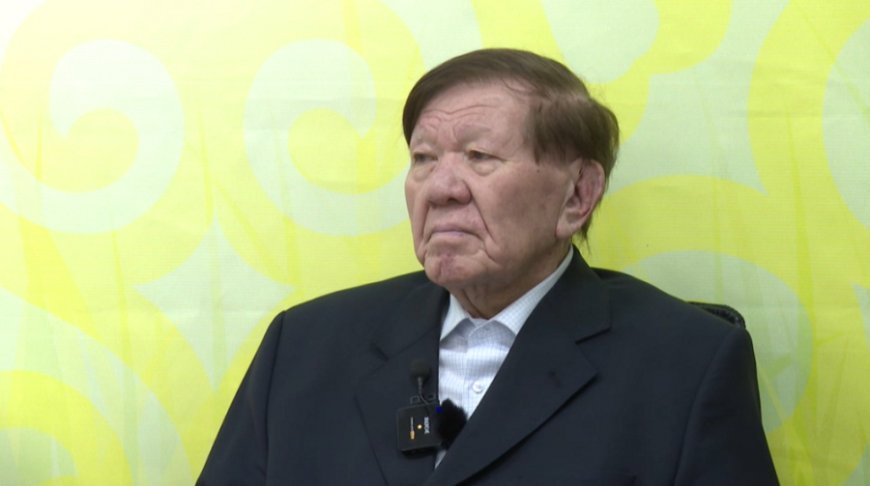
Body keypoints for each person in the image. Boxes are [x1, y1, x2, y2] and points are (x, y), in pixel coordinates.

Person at [198, 48, 778, 485]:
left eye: (479, 156)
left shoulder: (686, 364)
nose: (441, 188)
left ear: (578, 194)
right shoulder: (303, 347)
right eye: (423, 158)